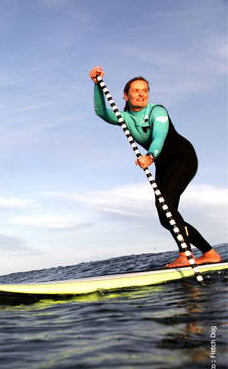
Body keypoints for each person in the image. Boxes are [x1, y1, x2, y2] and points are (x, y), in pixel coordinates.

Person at [88, 66, 221, 267]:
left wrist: (150, 155)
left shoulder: (157, 110)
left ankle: (186, 255)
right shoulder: (125, 118)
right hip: (163, 164)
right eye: (136, 90)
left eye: (145, 90)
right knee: (165, 215)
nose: (141, 94)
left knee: (166, 206)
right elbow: (101, 112)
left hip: (182, 158)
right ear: (126, 95)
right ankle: (209, 253)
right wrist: (97, 85)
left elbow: (158, 136)